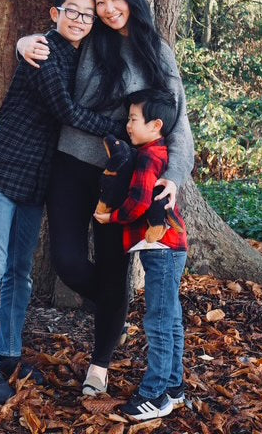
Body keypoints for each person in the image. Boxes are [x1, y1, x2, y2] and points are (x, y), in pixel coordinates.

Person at [17, 0, 194, 397]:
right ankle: (117, 307)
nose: (108, 8)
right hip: (71, 162)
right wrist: (24, 42)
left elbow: (177, 120)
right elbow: (56, 37)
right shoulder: (92, 38)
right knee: (68, 262)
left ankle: (100, 364)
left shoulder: (156, 50)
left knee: (115, 267)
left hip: (124, 175)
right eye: (100, 2)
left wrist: (174, 176)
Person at [0, 0, 126, 404]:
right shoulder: (44, 51)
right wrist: (118, 130)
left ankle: (7, 355)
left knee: (19, 272)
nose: (80, 19)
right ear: (55, 14)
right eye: (73, 11)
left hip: (36, 180)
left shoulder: (79, 57)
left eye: (88, 15)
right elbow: (67, 112)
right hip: (3, 171)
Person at [94, 89, 188, 421]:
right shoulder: (157, 153)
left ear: (155, 125)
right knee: (170, 318)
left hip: (161, 248)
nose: (128, 125)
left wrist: (111, 217)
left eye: (133, 119)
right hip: (171, 248)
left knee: (159, 321)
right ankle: (174, 386)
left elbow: (138, 202)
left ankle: (155, 394)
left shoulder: (149, 157)